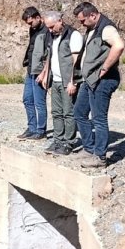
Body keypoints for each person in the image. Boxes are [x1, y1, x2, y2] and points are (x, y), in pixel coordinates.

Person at [72, 2, 124, 168]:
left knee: (98, 119)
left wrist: (105, 67)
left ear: (93, 15)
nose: (81, 24)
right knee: (79, 112)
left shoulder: (106, 29)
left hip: (103, 80)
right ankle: (89, 148)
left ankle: (100, 157)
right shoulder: (92, 28)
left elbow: (119, 45)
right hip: (90, 79)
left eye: (83, 20)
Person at [37, 11, 83, 156]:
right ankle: (58, 140)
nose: (50, 30)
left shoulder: (73, 35)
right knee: (56, 112)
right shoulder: (52, 36)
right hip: (55, 80)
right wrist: (45, 74)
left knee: (68, 113)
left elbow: (76, 61)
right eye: (48, 28)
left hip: (67, 81)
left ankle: (68, 142)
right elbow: (49, 57)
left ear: (60, 21)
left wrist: (72, 82)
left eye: (51, 27)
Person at [17, 6, 48, 140]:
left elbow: (49, 54)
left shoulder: (47, 31)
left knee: (39, 102)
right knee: (27, 99)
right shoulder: (33, 29)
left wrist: (44, 73)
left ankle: (41, 130)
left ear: (38, 18)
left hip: (40, 71)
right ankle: (32, 128)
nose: (30, 25)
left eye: (31, 22)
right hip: (31, 69)